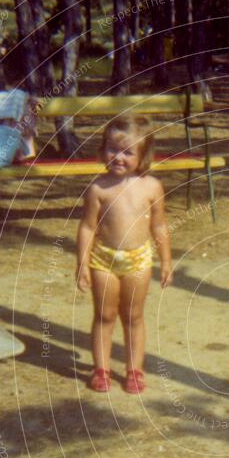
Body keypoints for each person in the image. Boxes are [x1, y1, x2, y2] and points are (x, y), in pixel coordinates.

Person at [76, 115, 173, 393]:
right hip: (103, 260)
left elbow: (159, 226)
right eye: (112, 150)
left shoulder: (152, 187)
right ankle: (102, 370)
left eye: (127, 152)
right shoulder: (98, 189)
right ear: (102, 150)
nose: (118, 158)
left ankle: (134, 370)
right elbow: (87, 228)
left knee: (133, 316)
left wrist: (166, 260)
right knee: (104, 315)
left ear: (143, 155)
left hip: (138, 261)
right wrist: (82, 263)